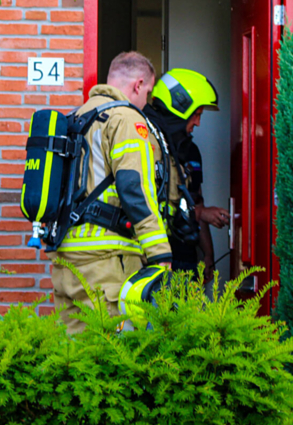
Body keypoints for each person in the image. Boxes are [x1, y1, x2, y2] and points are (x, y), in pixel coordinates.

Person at [51, 51, 172, 334]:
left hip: (65, 261)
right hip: (107, 262)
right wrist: (159, 253)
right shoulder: (126, 119)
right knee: (112, 353)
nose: (146, 101)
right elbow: (135, 188)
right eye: (148, 92)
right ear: (138, 85)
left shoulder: (77, 118)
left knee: (73, 352)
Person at [145, 68, 230, 282]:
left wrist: (208, 255)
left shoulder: (190, 151)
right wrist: (202, 213)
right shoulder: (146, 145)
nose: (198, 123)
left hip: (187, 259)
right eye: (196, 114)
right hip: (154, 260)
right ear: (179, 106)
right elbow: (149, 206)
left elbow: (196, 202)